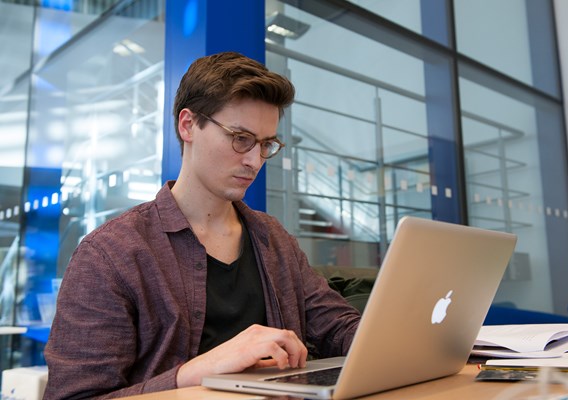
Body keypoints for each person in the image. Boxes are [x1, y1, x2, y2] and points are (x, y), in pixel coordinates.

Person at [43, 51, 361, 399]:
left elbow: (340, 327)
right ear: (188, 125)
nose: (255, 160)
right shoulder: (110, 255)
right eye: (240, 138)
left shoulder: (274, 240)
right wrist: (192, 374)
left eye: (266, 144)